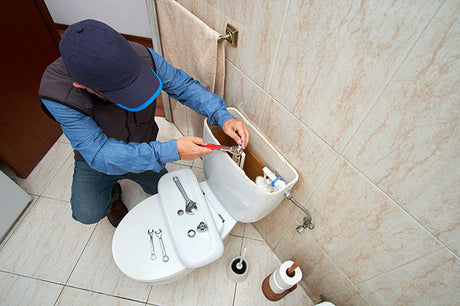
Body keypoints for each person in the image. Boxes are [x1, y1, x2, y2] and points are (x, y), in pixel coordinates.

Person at [39, 19, 249, 227]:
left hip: (143, 143)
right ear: (81, 85)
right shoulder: (57, 95)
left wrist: (222, 115)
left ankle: (144, 172)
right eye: (119, 92)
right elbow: (100, 153)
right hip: (97, 160)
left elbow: (182, 86)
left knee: (165, 190)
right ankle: (112, 196)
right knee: (87, 212)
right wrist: (170, 151)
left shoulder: (139, 56)